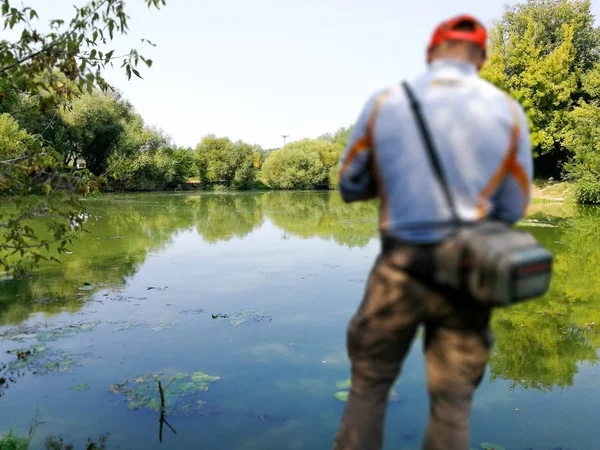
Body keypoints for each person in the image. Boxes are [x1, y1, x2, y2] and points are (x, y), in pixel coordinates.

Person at [332, 14, 533, 450]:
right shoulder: (509, 111)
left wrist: (396, 183)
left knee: (367, 391)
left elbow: (349, 184)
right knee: (453, 409)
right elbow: (514, 207)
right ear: (481, 57)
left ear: (430, 53)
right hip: (469, 270)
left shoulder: (387, 101)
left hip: (399, 268)